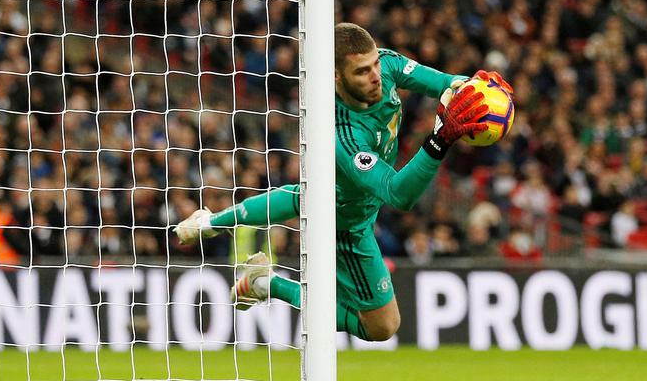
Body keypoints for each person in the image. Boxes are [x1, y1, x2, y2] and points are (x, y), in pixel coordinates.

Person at [173, 23, 510, 342]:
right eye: (362, 72)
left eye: (374, 64)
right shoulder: (345, 135)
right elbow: (398, 194)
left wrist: (476, 89)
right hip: (346, 224)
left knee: (306, 196)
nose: (375, 76)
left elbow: (446, 83)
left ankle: (213, 224)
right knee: (382, 326)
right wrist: (440, 140)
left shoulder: (387, 65)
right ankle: (267, 284)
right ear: (335, 76)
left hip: (341, 198)